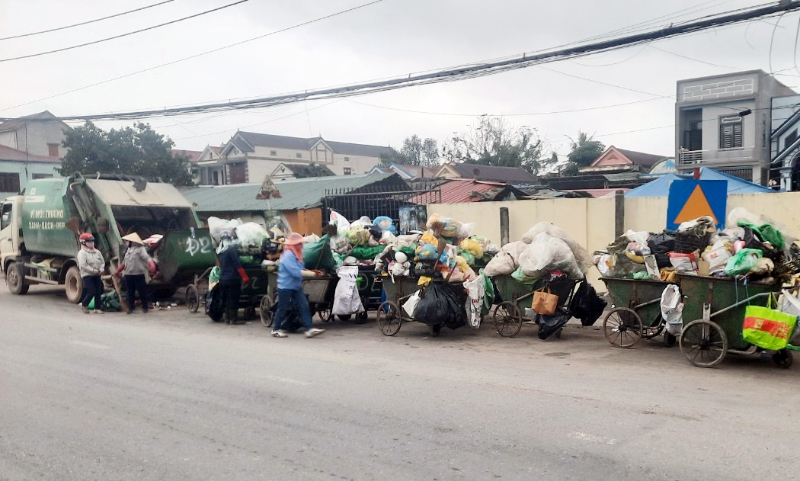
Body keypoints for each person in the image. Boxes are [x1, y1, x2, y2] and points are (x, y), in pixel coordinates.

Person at [271, 233, 325, 339]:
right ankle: (276, 329)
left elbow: (300, 269)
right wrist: (311, 274)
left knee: (304, 305)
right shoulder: (288, 256)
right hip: (285, 286)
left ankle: (309, 329)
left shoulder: (298, 255)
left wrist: (310, 271)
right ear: (294, 244)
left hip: (296, 286)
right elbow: (295, 272)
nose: (302, 245)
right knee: (282, 307)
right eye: (300, 243)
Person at [113, 233, 157, 314]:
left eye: (130, 241)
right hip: (128, 275)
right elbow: (124, 263)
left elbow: (147, 258)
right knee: (130, 292)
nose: (128, 242)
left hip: (138, 274)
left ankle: (145, 307)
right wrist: (117, 271)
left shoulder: (141, 249)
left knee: (142, 292)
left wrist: (152, 266)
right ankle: (131, 308)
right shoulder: (128, 250)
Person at [216, 232, 250, 325]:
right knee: (233, 299)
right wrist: (244, 277)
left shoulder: (219, 251)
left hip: (223, 279)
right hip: (232, 279)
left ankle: (227, 319)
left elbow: (219, 265)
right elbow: (237, 264)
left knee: (226, 299)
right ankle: (233, 319)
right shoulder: (230, 250)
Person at [77, 233, 105, 314]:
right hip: (87, 275)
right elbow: (84, 265)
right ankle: (84, 304)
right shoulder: (82, 253)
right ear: (83, 243)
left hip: (97, 274)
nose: (92, 243)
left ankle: (97, 308)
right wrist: (94, 271)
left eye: (92, 241)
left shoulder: (97, 252)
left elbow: (102, 262)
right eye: (89, 242)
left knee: (98, 291)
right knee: (91, 290)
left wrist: (101, 269)